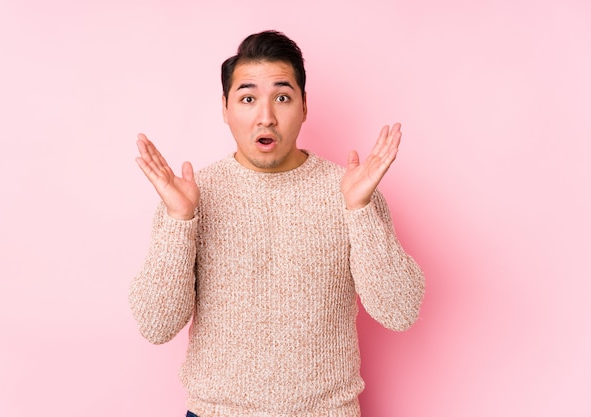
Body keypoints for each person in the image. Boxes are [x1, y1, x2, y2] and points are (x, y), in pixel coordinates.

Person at [129, 30, 425, 417]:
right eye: (248, 98)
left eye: (282, 98)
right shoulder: (189, 197)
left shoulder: (351, 191)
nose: (265, 117)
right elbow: (155, 325)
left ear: (304, 106)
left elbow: (400, 311)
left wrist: (360, 209)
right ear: (225, 108)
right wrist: (179, 221)